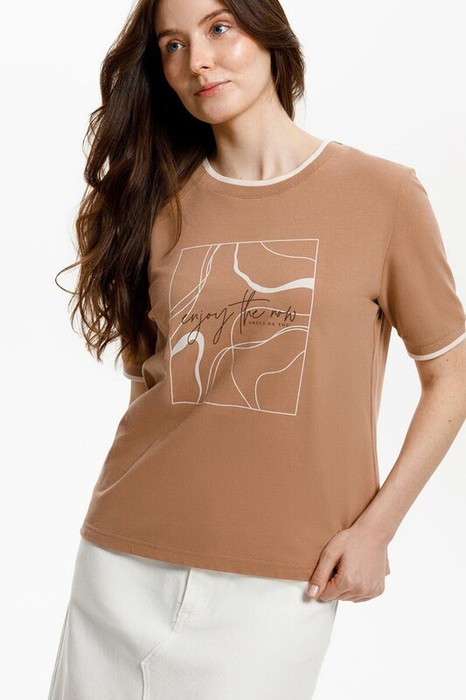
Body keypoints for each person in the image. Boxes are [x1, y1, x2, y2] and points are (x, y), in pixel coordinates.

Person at [47, 0, 466, 698]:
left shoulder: (383, 195)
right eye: (173, 45)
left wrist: (377, 530)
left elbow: (452, 375)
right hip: (124, 557)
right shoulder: (154, 203)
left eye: (220, 28)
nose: (198, 61)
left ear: (269, 35)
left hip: (284, 577)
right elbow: (148, 381)